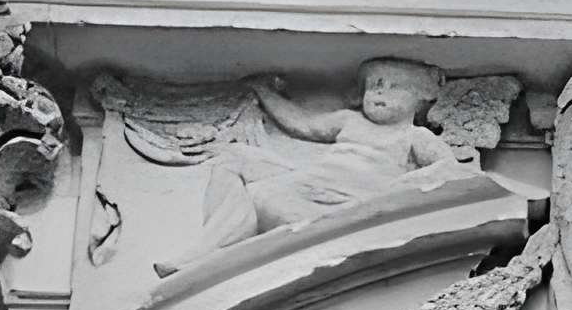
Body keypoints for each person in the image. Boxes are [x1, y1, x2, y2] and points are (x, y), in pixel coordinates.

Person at [154, 59, 472, 275]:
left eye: (394, 87)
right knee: (234, 159)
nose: (379, 92)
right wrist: (262, 91)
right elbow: (301, 124)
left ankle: (213, 257)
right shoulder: (349, 121)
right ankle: (207, 249)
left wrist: (398, 191)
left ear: (420, 99)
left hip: (337, 206)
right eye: (375, 84)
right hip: (305, 184)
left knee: (260, 196)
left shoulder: (413, 136)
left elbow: (449, 170)